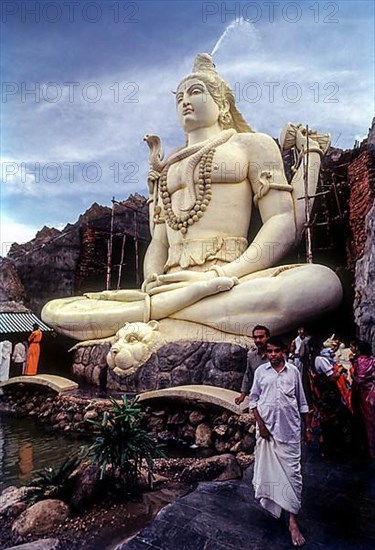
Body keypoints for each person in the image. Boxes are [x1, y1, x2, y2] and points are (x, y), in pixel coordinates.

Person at [41, 53, 342, 343]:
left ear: (223, 103)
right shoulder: (168, 166)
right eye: (179, 97)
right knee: (53, 311)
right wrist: (153, 280)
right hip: (171, 283)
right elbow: (159, 240)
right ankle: (171, 308)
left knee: (322, 284)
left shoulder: (252, 145)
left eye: (195, 92)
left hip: (229, 280)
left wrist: (218, 275)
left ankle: (156, 313)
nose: (185, 101)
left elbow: (282, 222)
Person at [249, 336, 309, 547]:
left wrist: (307, 428)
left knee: (293, 475)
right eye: (270, 351)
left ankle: (293, 521)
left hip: (290, 432)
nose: (273, 354)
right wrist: (261, 426)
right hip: (267, 433)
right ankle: (276, 506)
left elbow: (301, 401)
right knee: (269, 471)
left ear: (283, 351)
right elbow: (253, 400)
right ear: (265, 353)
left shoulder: (293, 371)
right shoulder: (260, 372)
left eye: (277, 351)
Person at [309, 338, 352, 457]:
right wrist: (340, 369)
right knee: (333, 419)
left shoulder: (311, 359)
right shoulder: (320, 360)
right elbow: (332, 377)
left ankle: (325, 446)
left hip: (320, 395)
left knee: (326, 419)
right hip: (328, 395)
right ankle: (332, 447)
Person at [235, 324, 270, 405]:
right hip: (258, 396)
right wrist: (242, 395)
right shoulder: (251, 355)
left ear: (268, 337)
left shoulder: (274, 355)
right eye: (255, 337)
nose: (258, 340)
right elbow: (248, 375)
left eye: (261, 337)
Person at [351, 341, 375, 459]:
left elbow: (359, 379)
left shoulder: (360, 361)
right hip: (372, 391)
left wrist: (352, 375)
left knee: (368, 419)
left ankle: (370, 449)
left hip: (364, 393)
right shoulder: (373, 360)